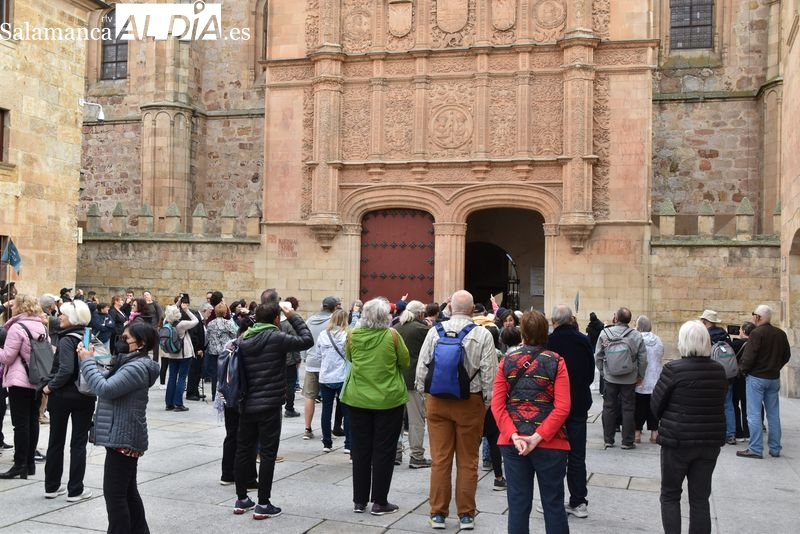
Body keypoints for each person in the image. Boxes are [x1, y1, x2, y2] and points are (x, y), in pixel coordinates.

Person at [415, 290, 498, 530]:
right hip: (469, 401)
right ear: (472, 310)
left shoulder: (434, 332)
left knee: (440, 460)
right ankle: (466, 515)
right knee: (468, 461)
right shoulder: (482, 334)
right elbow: (489, 374)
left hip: (438, 401)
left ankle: (438, 513)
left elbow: (422, 368)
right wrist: (485, 403)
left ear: (449, 308)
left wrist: (426, 395)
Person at [492, 310, 571, 534]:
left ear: (522, 332)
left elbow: (497, 406)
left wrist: (514, 435)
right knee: (553, 504)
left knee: (517, 505)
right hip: (551, 442)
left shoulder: (507, 361)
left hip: (514, 442)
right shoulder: (556, 362)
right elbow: (562, 407)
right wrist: (538, 436)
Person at [233, 301, 313, 519]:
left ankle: (241, 499)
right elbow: (307, 340)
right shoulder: (276, 337)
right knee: (268, 453)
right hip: (269, 404)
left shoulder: (244, 338)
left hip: (246, 403)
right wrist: (294, 316)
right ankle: (263, 503)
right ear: (277, 319)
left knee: (243, 450)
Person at [78, 322, 160, 533]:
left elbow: (105, 389)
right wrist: (94, 359)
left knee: (115, 496)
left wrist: (87, 362)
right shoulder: (129, 362)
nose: (121, 341)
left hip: (124, 436)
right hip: (122, 433)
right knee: (127, 492)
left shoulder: (137, 367)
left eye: (126, 338)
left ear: (141, 344)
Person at [651, 320, 727, 534]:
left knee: (670, 495)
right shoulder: (718, 371)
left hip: (677, 441)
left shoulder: (673, 369)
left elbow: (656, 406)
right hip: (708, 442)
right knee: (700, 498)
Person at [340, 297, 409, 516]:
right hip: (388, 400)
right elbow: (404, 362)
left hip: (358, 398)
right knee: (384, 450)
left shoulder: (352, 335)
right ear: (385, 317)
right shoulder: (392, 336)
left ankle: (359, 501)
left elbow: (350, 357)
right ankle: (380, 501)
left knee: (360, 450)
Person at [41, 300, 96, 500]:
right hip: (84, 395)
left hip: (63, 395)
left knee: (56, 441)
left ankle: (52, 486)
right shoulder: (87, 336)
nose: (60, 317)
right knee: (78, 443)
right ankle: (75, 489)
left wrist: (49, 387)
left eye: (63, 314)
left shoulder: (66, 340)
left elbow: (66, 369)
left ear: (72, 318)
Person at [546, 304, 595, 519]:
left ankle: (554, 501)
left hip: (554, 406)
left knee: (553, 455)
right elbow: (591, 375)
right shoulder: (583, 340)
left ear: (554, 321)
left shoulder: (549, 342)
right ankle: (578, 501)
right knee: (577, 455)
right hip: (578, 405)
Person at [0, 294, 46, 479]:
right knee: (32, 421)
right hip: (37, 379)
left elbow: (7, 357)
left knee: (20, 425)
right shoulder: (41, 326)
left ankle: (19, 465)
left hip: (19, 380)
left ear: (19, 307)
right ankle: (29, 463)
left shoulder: (17, 327)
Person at [737, 304, 792, 459]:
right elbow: (786, 355)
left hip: (756, 378)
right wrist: (776, 367)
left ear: (758, 317)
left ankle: (755, 448)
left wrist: (742, 370)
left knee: (753, 413)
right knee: (773, 414)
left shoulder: (756, 333)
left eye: (754, 314)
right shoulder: (780, 334)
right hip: (773, 378)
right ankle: (775, 448)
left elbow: (748, 357)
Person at [594, 306, 647, 449]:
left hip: (610, 377)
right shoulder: (636, 335)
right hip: (629, 378)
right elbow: (643, 358)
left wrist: (604, 372)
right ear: (629, 320)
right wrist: (640, 375)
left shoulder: (605, 333)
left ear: (616, 319)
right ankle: (627, 441)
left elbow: (598, 356)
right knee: (629, 408)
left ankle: (608, 439)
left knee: (609, 407)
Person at [394, 300, 432, 469]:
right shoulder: (423, 330)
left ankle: (395, 453)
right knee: (416, 420)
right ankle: (416, 456)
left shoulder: (395, 329)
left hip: (396, 380)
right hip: (415, 380)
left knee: (396, 420)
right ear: (420, 314)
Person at [301, 296, 341, 440]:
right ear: (333, 307)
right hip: (328, 364)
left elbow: (304, 337)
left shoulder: (310, 320)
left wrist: (304, 356)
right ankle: (333, 427)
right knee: (332, 399)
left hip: (312, 362)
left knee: (310, 396)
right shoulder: (334, 320)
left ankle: (307, 428)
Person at [316, 309, 351, 453]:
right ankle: (348, 445)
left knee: (326, 410)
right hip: (342, 377)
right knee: (346, 411)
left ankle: (326, 443)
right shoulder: (347, 335)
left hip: (325, 377)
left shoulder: (323, 335)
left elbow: (318, 355)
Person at [699, 309, 736, 445]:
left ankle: (710, 432)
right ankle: (730, 434)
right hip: (727, 375)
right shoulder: (724, 334)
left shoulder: (705, 335)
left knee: (709, 404)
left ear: (705, 322)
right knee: (728, 404)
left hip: (711, 375)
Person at [161, 303, 199, 412]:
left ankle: (169, 403)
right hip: (184, 354)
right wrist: (186, 310)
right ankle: (178, 403)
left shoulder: (166, 323)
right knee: (182, 378)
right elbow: (196, 320)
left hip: (172, 354)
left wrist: (176, 304)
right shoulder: (182, 324)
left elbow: (170, 312)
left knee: (172, 377)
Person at [634, 315, 664, 444]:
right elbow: (660, 355)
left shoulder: (637, 339)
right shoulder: (658, 340)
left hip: (640, 380)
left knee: (639, 407)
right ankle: (654, 433)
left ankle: (636, 433)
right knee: (653, 408)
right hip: (655, 379)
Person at [206, 302, 239, 402]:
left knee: (214, 374)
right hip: (225, 352)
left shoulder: (210, 323)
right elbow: (235, 335)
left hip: (213, 351)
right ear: (225, 313)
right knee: (225, 374)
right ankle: (223, 394)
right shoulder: (228, 323)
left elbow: (207, 337)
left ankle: (213, 395)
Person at [730, 321, 756, 441]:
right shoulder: (755, 344)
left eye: (740, 330)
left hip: (736, 378)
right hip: (749, 377)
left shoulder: (736, 344)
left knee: (735, 404)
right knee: (747, 406)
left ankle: (738, 432)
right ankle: (748, 432)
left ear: (744, 331)